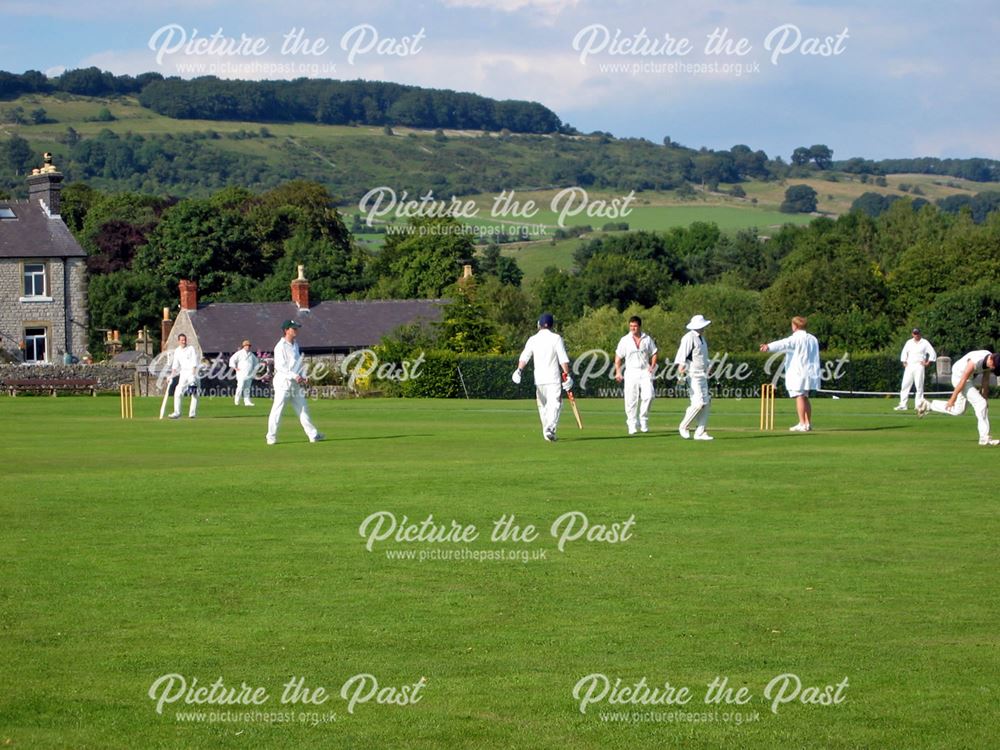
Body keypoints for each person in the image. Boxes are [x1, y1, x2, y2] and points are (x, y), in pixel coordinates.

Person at [917, 350, 1000, 446]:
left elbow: (985, 381)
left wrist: (985, 399)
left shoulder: (991, 361)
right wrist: (953, 398)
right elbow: (963, 380)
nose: (993, 368)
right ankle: (984, 438)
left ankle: (929, 405)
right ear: (991, 359)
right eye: (994, 366)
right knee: (980, 403)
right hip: (959, 377)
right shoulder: (975, 361)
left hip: (968, 379)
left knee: (959, 410)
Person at [512, 313, 572, 442]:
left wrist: (519, 370)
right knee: (555, 404)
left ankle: (548, 432)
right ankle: (549, 428)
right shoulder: (556, 338)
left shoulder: (533, 339)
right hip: (553, 378)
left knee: (543, 406)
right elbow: (563, 359)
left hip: (539, 379)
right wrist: (567, 375)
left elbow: (524, 357)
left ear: (539, 324)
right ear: (552, 325)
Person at [266, 320, 324, 445]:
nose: (296, 330)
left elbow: (298, 363)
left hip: (295, 384)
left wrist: (303, 375)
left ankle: (313, 435)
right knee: (278, 410)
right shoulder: (280, 346)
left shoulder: (295, 345)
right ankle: (271, 437)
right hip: (283, 383)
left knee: (303, 409)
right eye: (293, 328)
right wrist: (294, 376)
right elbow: (280, 367)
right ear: (286, 330)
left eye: (296, 328)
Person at [760, 316, 821, 432]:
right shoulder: (813, 339)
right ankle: (807, 423)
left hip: (798, 371)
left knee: (799, 396)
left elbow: (783, 343)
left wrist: (768, 347)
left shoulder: (796, 338)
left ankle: (803, 423)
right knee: (805, 397)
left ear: (796, 326)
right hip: (810, 371)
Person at [614, 316, 658, 435]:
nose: (633, 328)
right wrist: (618, 372)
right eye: (631, 326)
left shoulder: (647, 339)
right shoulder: (625, 340)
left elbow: (654, 353)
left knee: (649, 395)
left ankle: (643, 420)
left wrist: (652, 365)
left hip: (645, 371)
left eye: (635, 326)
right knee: (631, 399)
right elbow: (618, 358)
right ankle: (632, 424)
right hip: (631, 371)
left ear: (639, 326)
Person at [674, 314, 713, 441]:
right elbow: (682, 355)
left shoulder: (702, 338)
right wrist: (681, 372)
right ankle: (683, 426)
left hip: (702, 374)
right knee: (698, 403)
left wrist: (708, 365)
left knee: (706, 402)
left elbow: (701, 356)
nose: (704, 327)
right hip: (692, 374)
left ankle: (700, 432)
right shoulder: (688, 337)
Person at [895, 328, 936, 411]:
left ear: (920, 333)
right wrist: (904, 361)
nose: (916, 335)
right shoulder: (909, 342)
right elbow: (904, 352)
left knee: (919, 386)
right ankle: (903, 405)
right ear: (912, 334)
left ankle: (918, 405)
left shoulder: (925, 342)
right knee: (905, 385)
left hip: (919, 365)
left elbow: (932, 352)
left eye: (917, 333)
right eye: (914, 333)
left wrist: (928, 362)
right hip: (909, 366)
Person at [167, 333, 200, 419]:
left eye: (184, 340)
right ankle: (177, 413)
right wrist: (171, 376)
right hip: (183, 373)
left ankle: (192, 413)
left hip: (192, 372)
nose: (183, 341)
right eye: (182, 340)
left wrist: (192, 375)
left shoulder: (191, 349)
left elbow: (194, 362)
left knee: (194, 392)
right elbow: (175, 366)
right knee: (178, 392)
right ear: (178, 341)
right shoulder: (177, 351)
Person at [228, 339, 259, 406]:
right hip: (241, 373)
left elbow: (256, 363)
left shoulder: (251, 355)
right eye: (246, 345)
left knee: (247, 388)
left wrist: (254, 372)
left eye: (249, 346)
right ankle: (237, 401)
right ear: (243, 346)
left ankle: (247, 402)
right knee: (240, 387)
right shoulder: (239, 353)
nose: (248, 347)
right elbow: (232, 360)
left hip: (249, 374)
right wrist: (235, 368)